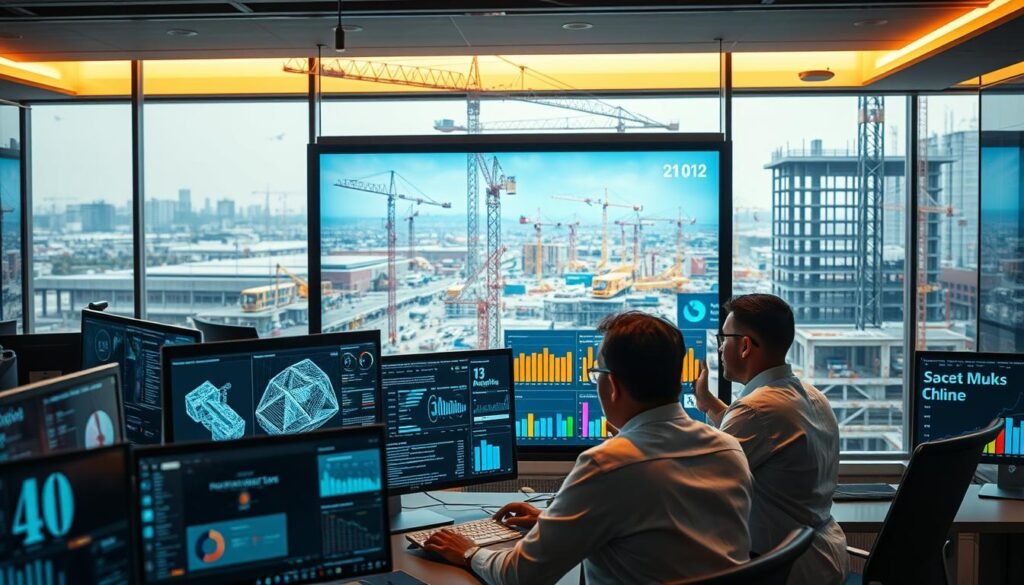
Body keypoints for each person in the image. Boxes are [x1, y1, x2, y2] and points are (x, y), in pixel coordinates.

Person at [425, 311, 754, 585]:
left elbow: (521, 576)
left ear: (611, 385)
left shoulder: (609, 465)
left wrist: (469, 552)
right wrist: (557, 520)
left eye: (597, 373)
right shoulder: (728, 450)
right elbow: (669, 533)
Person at [694, 294, 849, 585]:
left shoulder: (755, 411)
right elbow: (761, 436)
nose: (719, 347)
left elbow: (699, 481)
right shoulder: (812, 397)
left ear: (744, 346)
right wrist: (709, 405)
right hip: (823, 557)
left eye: (723, 338)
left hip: (785, 571)